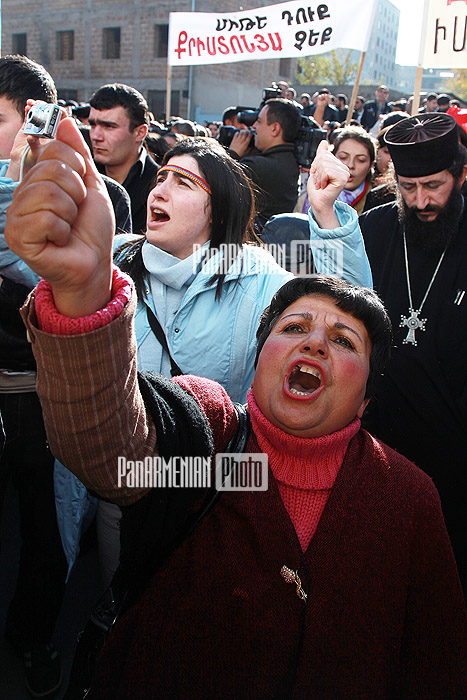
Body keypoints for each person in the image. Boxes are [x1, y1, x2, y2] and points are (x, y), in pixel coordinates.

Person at [4, 123, 467, 693]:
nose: (314, 344)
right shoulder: (222, 452)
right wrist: (79, 296)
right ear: (262, 348)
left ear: (369, 392)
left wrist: (325, 215)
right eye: (293, 327)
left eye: (342, 343)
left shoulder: (407, 499)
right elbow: (113, 453)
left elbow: (436, 661)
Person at [307, 111, 467, 594]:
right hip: (379, 442)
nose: (421, 200)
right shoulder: (373, 228)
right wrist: (325, 212)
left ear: (462, 175)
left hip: (456, 452)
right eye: (409, 186)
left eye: (435, 186)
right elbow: (338, 298)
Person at [0, 55, 66, 698]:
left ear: (31, 120)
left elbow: (53, 288)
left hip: (38, 393)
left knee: (45, 529)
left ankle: (35, 637)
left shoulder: (79, 193)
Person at [89, 83, 159, 234]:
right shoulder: (79, 176)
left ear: (140, 133)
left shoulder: (161, 188)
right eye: (92, 125)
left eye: (109, 127)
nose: (95, 136)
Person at [229, 98, 301, 226]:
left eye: (260, 121)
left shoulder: (257, 166)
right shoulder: (292, 160)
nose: (254, 126)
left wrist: (232, 155)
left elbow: (219, 186)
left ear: (275, 129)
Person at [331, 126, 376, 213]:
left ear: (371, 165)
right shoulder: (312, 195)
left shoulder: (378, 202)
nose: (350, 165)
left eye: (360, 160)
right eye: (343, 157)